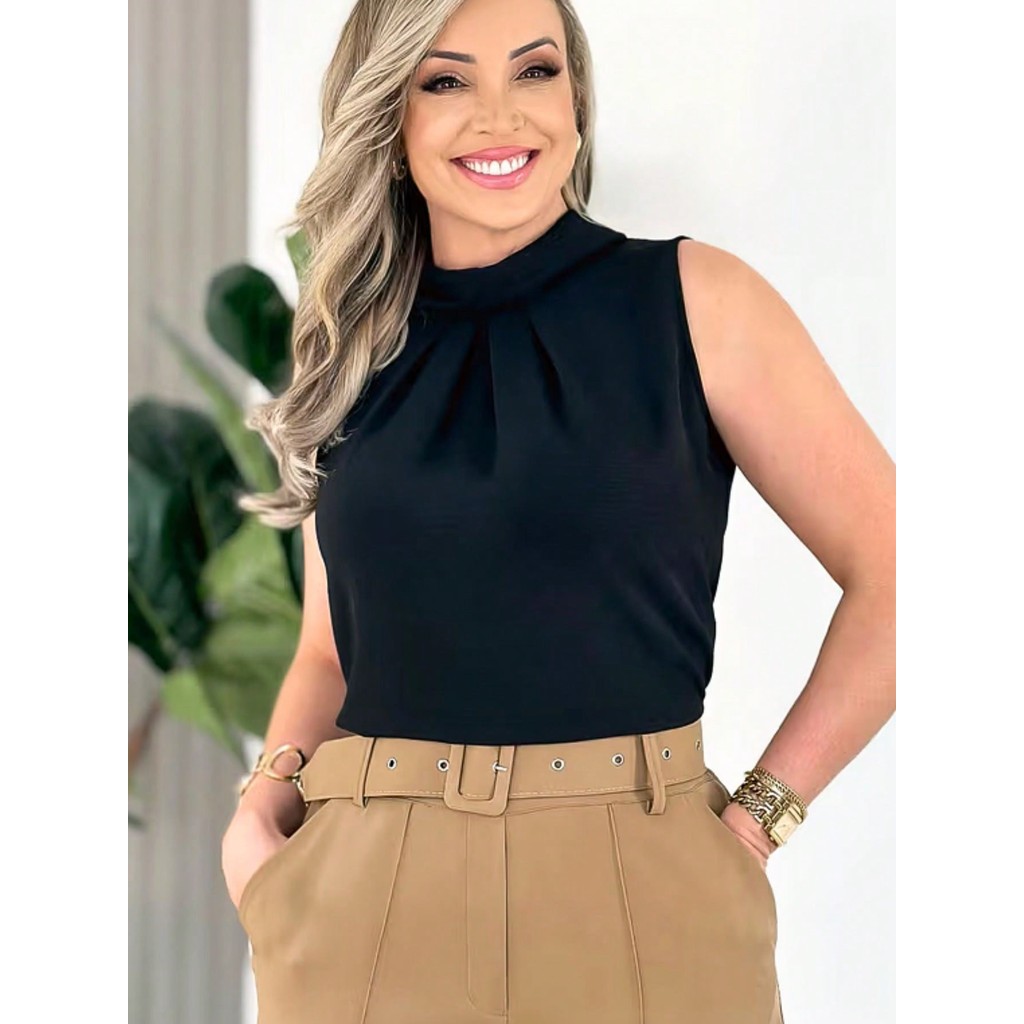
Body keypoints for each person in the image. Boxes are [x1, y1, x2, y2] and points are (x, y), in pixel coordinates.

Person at [220, 0, 896, 1021]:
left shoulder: (698, 302)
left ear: (575, 94)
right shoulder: (350, 346)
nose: (501, 114)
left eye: (534, 70)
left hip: (644, 889)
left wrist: (762, 815)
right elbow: (329, 646)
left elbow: (901, 571)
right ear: (388, 114)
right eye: (446, 80)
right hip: (363, 898)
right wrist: (261, 813)